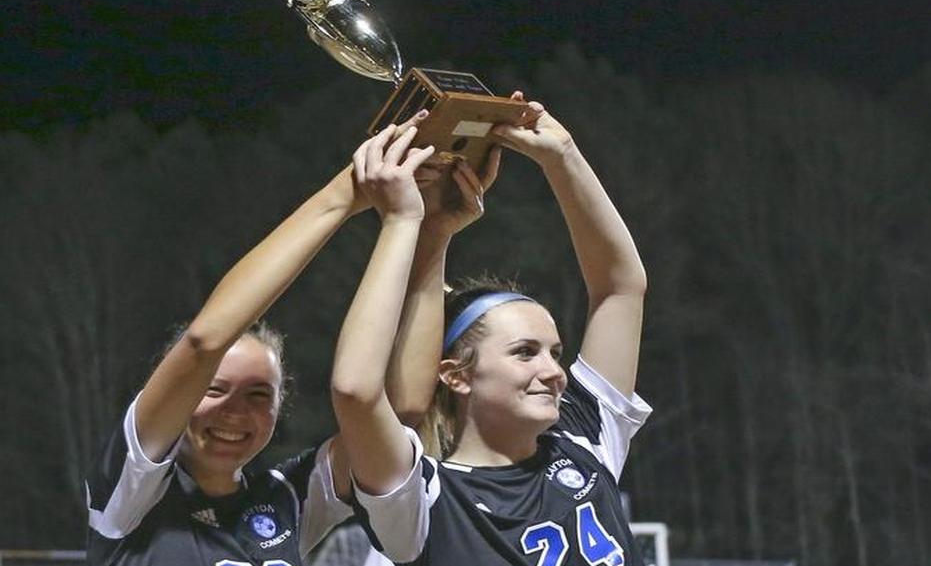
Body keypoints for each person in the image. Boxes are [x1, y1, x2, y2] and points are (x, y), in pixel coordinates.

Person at [84, 113, 488, 566]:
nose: (236, 412)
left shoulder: (287, 499)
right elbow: (204, 342)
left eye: (259, 394)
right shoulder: (131, 491)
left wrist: (427, 230)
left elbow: (399, 412)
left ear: (281, 405)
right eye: (214, 389)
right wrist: (346, 192)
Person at [329, 94, 651, 566]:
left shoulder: (584, 438)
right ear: (456, 375)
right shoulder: (422, 497)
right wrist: (426, 230)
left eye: (554, 352)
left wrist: (563, 157)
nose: (554, 371)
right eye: (525, 352)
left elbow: (621, 288)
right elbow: (356, 391)